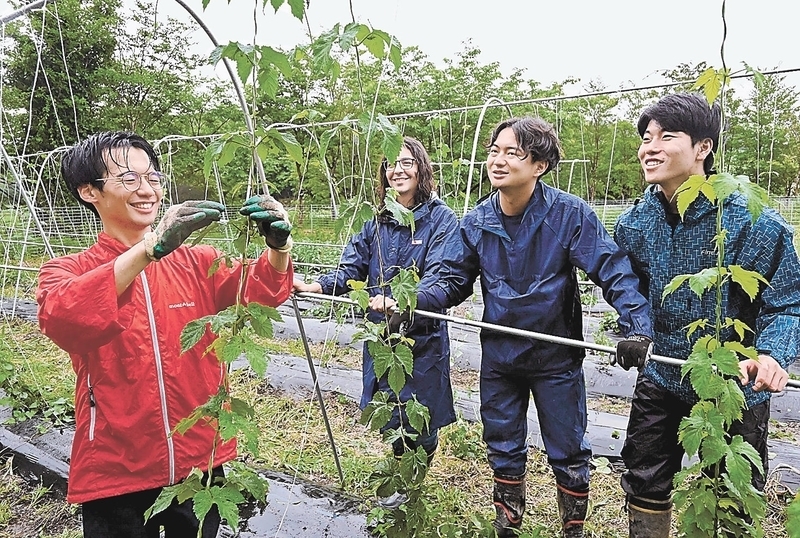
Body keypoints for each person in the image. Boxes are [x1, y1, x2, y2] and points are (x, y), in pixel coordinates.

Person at [36, 131, 294, 538]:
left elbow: (262, 290)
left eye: (153, 178)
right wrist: (150, 249)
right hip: (118, 465)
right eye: (128, 179)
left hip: (198, 460)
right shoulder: (68, 271)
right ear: (90, 192)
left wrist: (279, 245)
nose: (147, 190)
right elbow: (66, 317)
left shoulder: (198, 261)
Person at [438, 117, 654, 538]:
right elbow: (450, 279)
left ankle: (572, 529)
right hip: (500, 356)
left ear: (539, 165)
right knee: (502, 442)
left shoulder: (568, 214)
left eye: (512, 153)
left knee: (568, 446)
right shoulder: (478, 221)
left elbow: (612, 270)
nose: (498, 161)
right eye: (494, 151)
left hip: (555, 356)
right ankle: (507, 524)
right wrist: (409, 302)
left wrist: (637, 326)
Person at [614, 92, 800, 537]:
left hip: (733, 379)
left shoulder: (751, 221)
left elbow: (787, 302)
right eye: (645, 137)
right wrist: (634, 329)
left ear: (703, 148)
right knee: (644, 474)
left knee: (734, 490)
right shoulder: (635, 223)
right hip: (662, 372)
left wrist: (772, 356)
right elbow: (629, 290)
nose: (649, 147)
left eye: (666, 136)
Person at [292, 136, 458, 508]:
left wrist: (403, 301)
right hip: (380, 335)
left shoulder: (440, 218)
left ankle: (415, 477)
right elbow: (351, 268)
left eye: (406, 162)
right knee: (389, 408)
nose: (397, 170)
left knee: (421, 413)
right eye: (390, 164)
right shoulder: (375, 220)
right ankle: (401, 474)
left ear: (421, 167)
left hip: (420, 338)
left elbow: (441, 278)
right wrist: (316, 285)